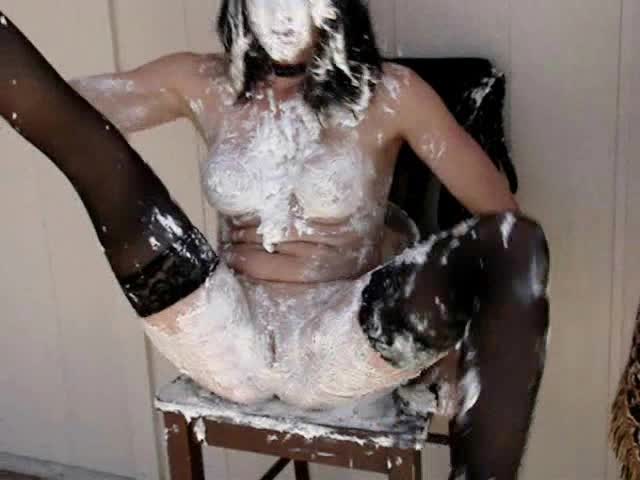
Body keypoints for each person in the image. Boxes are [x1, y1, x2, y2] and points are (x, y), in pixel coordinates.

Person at [0, 1, 550, 478]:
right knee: (100, 162)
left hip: (340, 338)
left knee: (517, 244)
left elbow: (500, 217)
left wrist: (455, 336)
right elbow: (65, 111)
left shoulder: (391, 93)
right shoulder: (202, 81)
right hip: (220, 330)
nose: (282, 13)